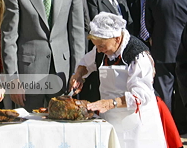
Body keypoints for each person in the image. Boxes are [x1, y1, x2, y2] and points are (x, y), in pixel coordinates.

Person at [1, 0, 85, 111]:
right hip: (29, 74)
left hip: (62, 73)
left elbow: (77, 32)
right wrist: (12, 78)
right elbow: (9, 38)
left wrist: (78, 72)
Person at [70, 12, 166, 148]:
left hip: (137, 123)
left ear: (116, 38)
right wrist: (78, 75)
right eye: (96, 46)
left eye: (102, 46)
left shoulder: (138, 56)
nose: (99, 50)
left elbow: (140, 96)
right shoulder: (101, 50)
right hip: (111, 119)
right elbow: (85, 64)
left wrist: (110, 103)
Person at [145, 0, 187, 133]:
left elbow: (148, 23)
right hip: (184, 49)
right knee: (184, 91)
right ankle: (183, 126)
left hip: (162, 47)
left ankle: (165, 130)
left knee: (163, 93)